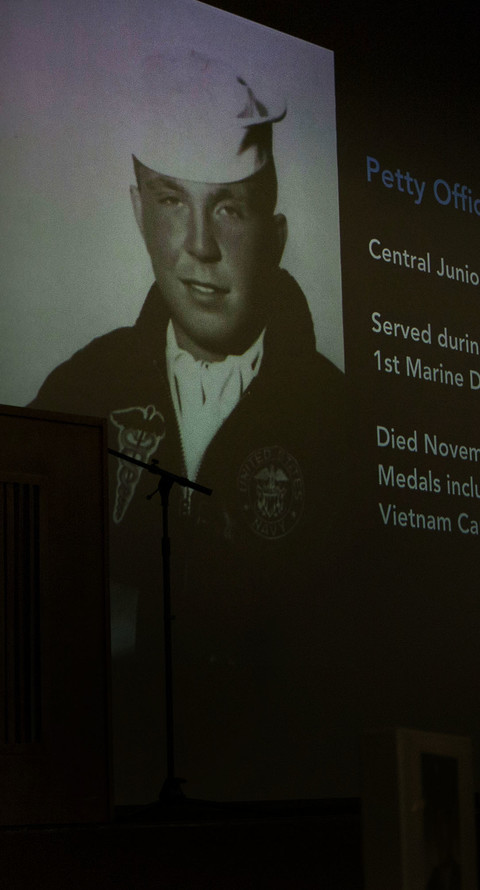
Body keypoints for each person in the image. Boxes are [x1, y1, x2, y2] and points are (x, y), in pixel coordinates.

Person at [27, 48, 347, 791]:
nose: (199, 246)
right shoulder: (77, 391)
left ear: (276, 231)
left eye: (229, 207)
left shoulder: (340, 419)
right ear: (140, 212)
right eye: (173, 201)